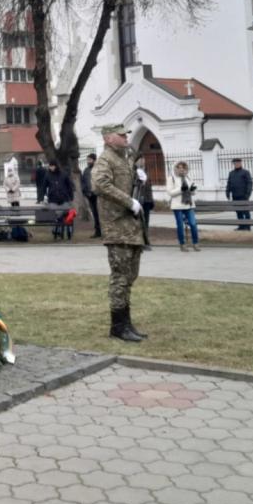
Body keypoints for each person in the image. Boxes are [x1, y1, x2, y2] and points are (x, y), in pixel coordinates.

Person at [92, 123, 146, 342]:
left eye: (126, 135)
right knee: (120, 278)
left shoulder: (125, 157)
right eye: (121, 135)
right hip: (116, 227)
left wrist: (138, 178)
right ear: (108, 138)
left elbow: (125, 184)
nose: (126, 138)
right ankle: (118, 326)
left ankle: (127, 323)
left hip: (131, 227)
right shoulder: (105, 159)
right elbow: (99, 184)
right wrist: (128, 201)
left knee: (130, 276)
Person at [168, 160, 200, 251]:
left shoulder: (188, 177)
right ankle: (182, 244)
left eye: (183, 168)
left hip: (189, 205)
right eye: (179, 167)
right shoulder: (172, 178)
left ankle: (195, 243)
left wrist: (192, 190)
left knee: (193, 224)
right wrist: (181, 189)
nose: (181, 169)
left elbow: (194, 192)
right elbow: (170, 192)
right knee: (180, 225)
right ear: (176, 168)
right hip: (177, 206)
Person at [43, 160, 75, 239]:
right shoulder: (47, 175)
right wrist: (43, 196)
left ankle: (62, 230)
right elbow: (44, 186)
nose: (51, 168)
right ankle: (57, 229)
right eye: (50, 166)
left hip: (64, 199)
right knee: (56, 214)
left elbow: (70, 186)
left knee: (65, 214)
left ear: (56, 166)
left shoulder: (63, 174)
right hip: (53, 199)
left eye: (52, 166)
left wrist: (71, 197)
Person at [132, 155, 154, 250]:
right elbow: (133, 185)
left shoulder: (146, 171)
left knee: (146, 221)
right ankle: (138, 242)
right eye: (140, 159)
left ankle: (145, 241)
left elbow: (149, 187)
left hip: (147, 199)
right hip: (138, 200)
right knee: (138, 221)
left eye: (143, 159)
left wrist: (151, 200)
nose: (142, 161)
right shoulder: (133, 171)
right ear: (136, 161)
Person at [225, 157, 253, 230]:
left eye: (238, 163)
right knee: (238, 212)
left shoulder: (245, 172)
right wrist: (227, 193)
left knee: (246, 212)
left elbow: (250, 183)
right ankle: (241, 226)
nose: (236, 164)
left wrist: (248, 194)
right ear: (233, 164)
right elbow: (229, 184)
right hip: (235, 196)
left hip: (244, 196)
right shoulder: (231, 173)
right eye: (235, 163)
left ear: (240, 163)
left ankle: (248, 226)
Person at [80, 153, 102, 238]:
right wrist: (85, 192)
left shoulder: (99, 170)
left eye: (90, 160)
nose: (88, 161)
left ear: (94, 160)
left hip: (98, 195)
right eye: (87, 160)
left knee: (100, 213)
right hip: (90, 195)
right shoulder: (86, 170)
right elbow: (83, 182)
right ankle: (97, 231)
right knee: (95, 214)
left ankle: (104, 231)